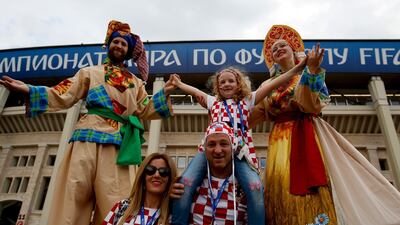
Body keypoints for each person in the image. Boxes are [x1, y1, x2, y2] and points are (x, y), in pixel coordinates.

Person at [0, 20, 175, 225]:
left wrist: (165, 93)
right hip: (86, 137)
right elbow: (64, 93)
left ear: (127, 51)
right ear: (108, 45)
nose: (118, 46)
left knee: (117, 200)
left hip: (119, 144)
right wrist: (30, 89)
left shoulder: (136, 83)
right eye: (115, 42)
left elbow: (145, 107)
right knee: (73, 197)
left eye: (123, 44)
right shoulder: (89, 72)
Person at [249, 24, 400, 225]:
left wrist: (311, 70)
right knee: (278, 184)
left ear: (294, 50)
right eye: (274, 49)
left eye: (282, 45)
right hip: (279, 139)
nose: (278, 49)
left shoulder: (309, 73)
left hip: (306, 135)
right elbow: (253, 113)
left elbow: (311, 105)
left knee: (310, 188)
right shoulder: (266, 85)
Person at [169, 62, 306, 225]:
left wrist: (296, 70)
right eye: (222, 82)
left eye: (231, 81)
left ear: (239, 84)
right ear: (217, 87)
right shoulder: (213, 102)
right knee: (185, 183)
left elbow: (273, 84)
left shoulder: (248, 100)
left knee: (255, 187)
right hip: (209, 150)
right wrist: (178, 84)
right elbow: (196, 91)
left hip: (240, 151)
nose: (226, 84)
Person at [171, 122, 249, 225]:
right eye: (211, 144)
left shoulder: (245, 188)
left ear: (233, 147)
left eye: (223, 144)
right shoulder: (189, 186)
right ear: (204, 149)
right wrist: (166, 198)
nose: (217, 150)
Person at [102, 153, 177, 225]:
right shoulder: (122, 206)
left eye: (163, 171)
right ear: (142, 177)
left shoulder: (174, 214)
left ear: (170, 179)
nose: (157, 175)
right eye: (150, 170)